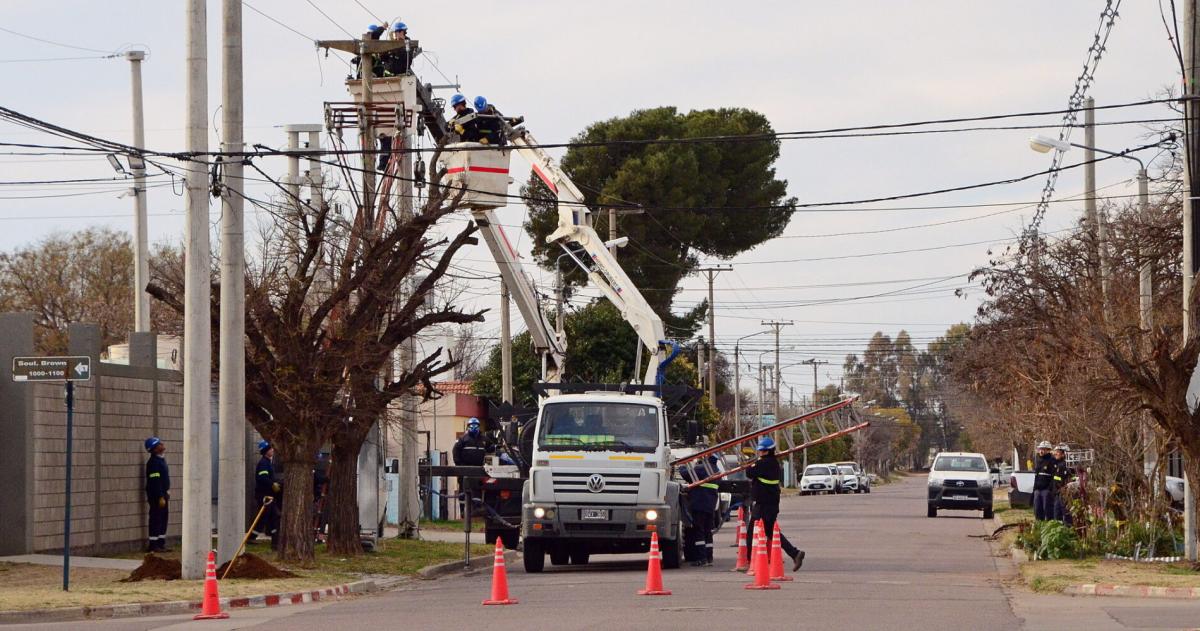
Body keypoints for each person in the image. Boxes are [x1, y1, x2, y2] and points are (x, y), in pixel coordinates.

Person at [746, 436, 805, 571]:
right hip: (769, 504)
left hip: (764, 505)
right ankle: (795, 553)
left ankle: (751, 561)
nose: (760, 452)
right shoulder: (773, 463)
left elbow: (749, 472)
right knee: (771, 532)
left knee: (752, 532)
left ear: (768, 451)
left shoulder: (763, 464)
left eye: (763, 451)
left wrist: (753, 463)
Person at [683, 461, 720, 567]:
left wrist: (681, 467)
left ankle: (701, 558)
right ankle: (709, 557)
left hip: (699, 505)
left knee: (699, 531)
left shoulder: (701, 468)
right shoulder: (717, 471)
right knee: (708, 532)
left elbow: (686, 474)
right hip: (710, 507)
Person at [254, 440, 282, 550]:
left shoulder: (267, 463)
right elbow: (262, 478)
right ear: (266, 451)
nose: (272, 450)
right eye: (270, 449)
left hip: (269, 495)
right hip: (265, 496)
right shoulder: (264, 464)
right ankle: (252, 536)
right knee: (264, 518)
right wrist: (272, 484)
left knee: (272, 518)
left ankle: (275, 540)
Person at [144, 436, 170, 552]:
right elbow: (155, 481)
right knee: (156, 518)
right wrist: (160, 496)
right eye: (159, 444)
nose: (162, 444)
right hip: (156, 496)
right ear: (154, 449)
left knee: (163, 518)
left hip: (163, 495)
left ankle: (160, 543)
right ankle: (153, 545)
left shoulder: (161, 460)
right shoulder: (154, 463)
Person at [1031, 440, 1055, 520]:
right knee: (1037, 509)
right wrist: (1034, 490)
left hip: (1046, 490)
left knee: (1047, 509)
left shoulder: (1052, 460)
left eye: (1044, 449)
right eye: (1040, 449)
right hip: (1037, 489)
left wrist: (1049, 488)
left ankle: (1048, 525)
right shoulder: (1038, 460)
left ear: (1048, 450)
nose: (1041, 451)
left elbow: (1053, 477)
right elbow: (1036, 476)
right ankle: (1039, 525)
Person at [1051, 443, 1072, 524]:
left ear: (1064, 454)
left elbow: (1068, 480)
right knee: (1057, 515)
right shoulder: (1057, 464)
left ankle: (1068, 530)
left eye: (1058, 452)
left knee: (1066, 515)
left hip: (1064, 494)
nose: (1055, 453)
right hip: (1058, 494)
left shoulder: (1067, 466)